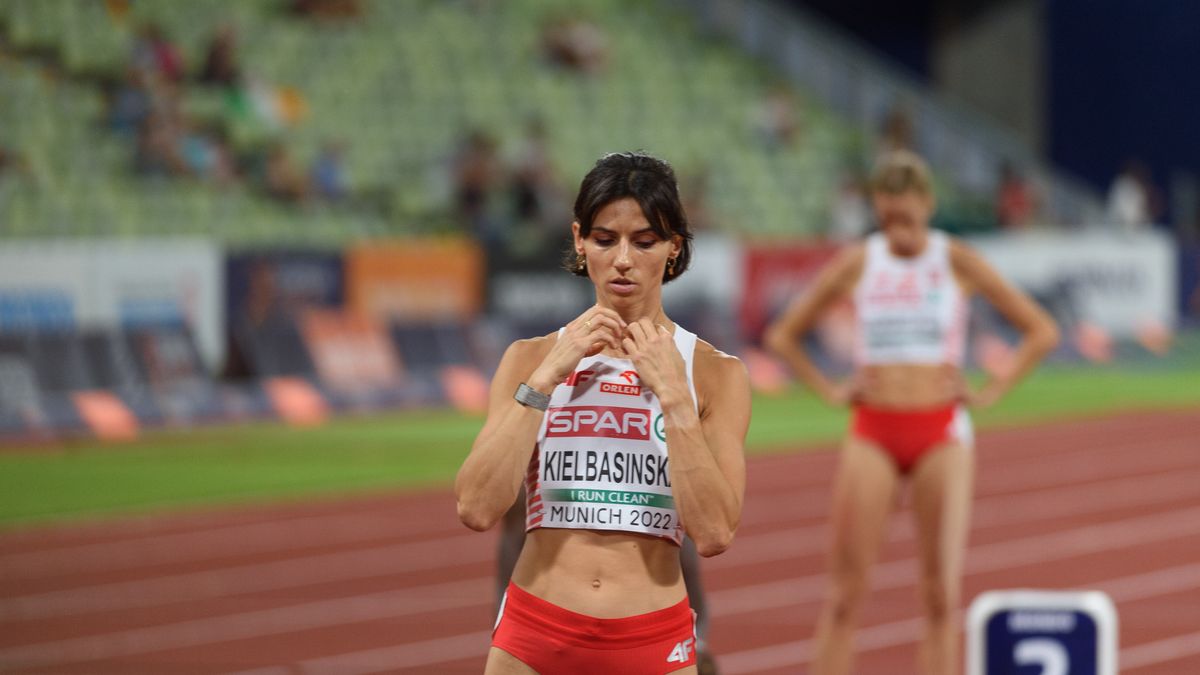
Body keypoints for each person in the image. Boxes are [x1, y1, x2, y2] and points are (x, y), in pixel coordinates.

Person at [765, 150, 1059, 675]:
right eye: (887, 218)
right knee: (842, 597)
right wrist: (830, 390)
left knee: (940, 597)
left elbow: (1041, 330)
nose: (898, 231)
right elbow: (783, 336)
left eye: (908, 217)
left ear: (928, 205)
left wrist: (993, 390)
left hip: (940, 432)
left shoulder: (955, 260)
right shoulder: (860, 260)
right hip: (873, 429)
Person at [456, 151, 750, 674]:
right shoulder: (528, 358)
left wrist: (675, 400)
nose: (622, 259)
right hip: (534, 632)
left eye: (644, 241)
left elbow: (714, 533)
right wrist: (548, 376)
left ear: (673, 248)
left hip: (652, 639)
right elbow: (477, 507)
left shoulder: (715, 373)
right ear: (578, 240)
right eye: (604, 238)